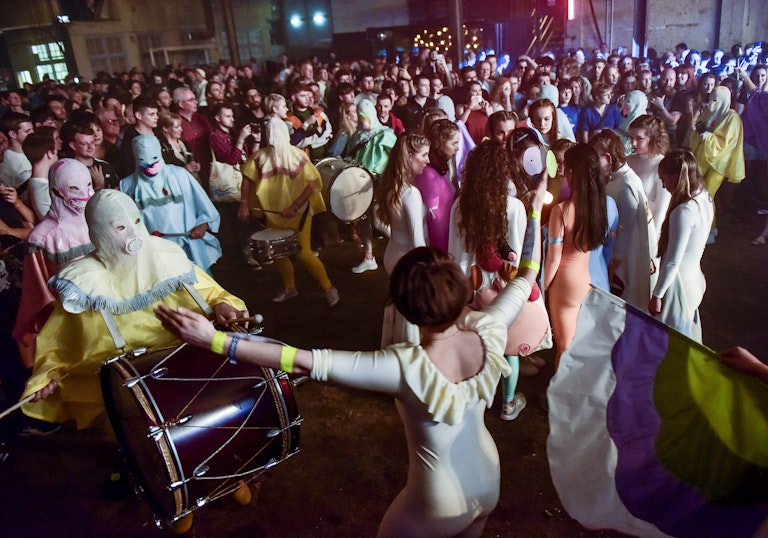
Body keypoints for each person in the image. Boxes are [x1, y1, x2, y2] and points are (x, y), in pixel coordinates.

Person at [154, 175, 547, 538]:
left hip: (436, 500)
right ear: (462, 290)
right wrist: (534, 206)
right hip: (489, 477)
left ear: (407, 311)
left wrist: (215, 342)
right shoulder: (491, 326)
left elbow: (303, 360)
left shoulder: (404, 367)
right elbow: (528, 270)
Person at [21, 189, 247, 430]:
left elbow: (214, 294)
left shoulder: (168, 257)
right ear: (99, 234)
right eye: (119, 228)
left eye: (136, 222)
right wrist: (46, 377)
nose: (133, 234)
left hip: (192, 370)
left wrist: (224, 304)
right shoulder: (84, 286)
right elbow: (56, 346)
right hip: (127, 393)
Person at [448, 140, 544, 419]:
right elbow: (515, 259)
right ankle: (508, 403)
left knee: (474, 343)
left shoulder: (459, 207)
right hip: (503, 287)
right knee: (508, 347)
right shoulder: (513, 207)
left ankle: (475, 401)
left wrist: (467, 286)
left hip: (472, 283)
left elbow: (456, 253)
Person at [240, 117, 339, 306]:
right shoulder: (260, 157)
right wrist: (244, 202)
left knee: (303, 253)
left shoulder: (298, 156)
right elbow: (247, 178)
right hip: (273, 215)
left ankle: (328, 288)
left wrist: (294, 206)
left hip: (299, 213)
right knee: (278, 253)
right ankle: (289, 287)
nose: (271, 135)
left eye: (273, 131)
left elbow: (312, 184)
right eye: (268, 131)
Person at [13, 159, 93, 369]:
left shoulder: (98, 220)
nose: (84, 195)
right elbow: (37, 297)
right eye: (74, 188)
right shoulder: (41, 239)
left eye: (88, 185)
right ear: (56, 191)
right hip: (72, 328)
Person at [544, 143, 608, 368]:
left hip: (564, 283)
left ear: (571, 172)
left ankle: (560, 399)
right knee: (580, 343)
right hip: (587, 280)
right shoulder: (600, 205)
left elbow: (553, 259)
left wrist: (543, 286)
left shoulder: (561, 210)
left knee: (564, 346)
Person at [121, 134, 222, 274]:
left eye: (154, 159)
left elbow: (203, 205)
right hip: (156, 254)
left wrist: (203, 224)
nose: (150, 166)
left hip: (189, 247)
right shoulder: (126, 186)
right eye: (143, 161)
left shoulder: (180, 175)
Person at [648, 150, 714, 342]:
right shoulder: (704, 197)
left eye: (663, 180)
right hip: (695, 280)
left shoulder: (683, 211)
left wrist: (657, 295)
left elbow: (672, 261)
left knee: (672, 346)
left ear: (676, 177)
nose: (662, 185)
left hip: (680, 287)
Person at [590, 129, 657, 311]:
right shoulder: (616, 179)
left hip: (624, 262)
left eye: (596, 159)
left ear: (609, 159)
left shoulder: (627, 185)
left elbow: (624, 233)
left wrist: (611, 270)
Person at [376, 133, 429, 346]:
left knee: (396, 309)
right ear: (409, 156)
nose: (428, 160)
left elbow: (378, 222)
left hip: (392, 254)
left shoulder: (391, 186)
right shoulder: (411, 194)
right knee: (410, 317)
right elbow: (417, 242)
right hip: (408, 260)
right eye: (424, 155)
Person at [689, 86, 745, 238]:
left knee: (708, 194)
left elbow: (728, 141)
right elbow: (698, 131)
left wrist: (708, 136)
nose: (712, 103)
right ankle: (700, 225)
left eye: (716, 99)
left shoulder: (732, 117)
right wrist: (697, 129)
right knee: (697, 191)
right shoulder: (708, 112)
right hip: (703, 157)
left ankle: (710, 230)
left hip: (720, 163)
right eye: (711, 99)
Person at [414, 119, 460, 252]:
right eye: (454, 143)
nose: (457, 148)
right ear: (440, 143)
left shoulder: (440, 169)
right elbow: (432, 218)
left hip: (447, 237)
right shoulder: (428, 174)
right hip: (439, 243)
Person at [627, 114, 672, 235]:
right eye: (631, 138)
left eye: (639, 138)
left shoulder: (662, 166)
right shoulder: (628, 161)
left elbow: (661, 210)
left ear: (653, 138)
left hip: (645, 229)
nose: (633, 143)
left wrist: (653, 239)